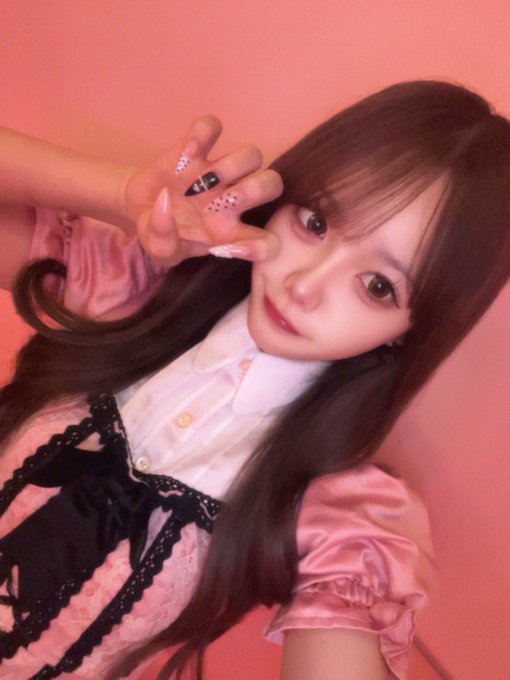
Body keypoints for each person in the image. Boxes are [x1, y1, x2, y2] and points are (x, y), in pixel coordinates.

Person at [0, 80, 509, 680]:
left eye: (378, 286)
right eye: (315, 221)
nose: (303, 285)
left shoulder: (339, 510)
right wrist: (122, 192)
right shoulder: (133, 290)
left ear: (410, 330)